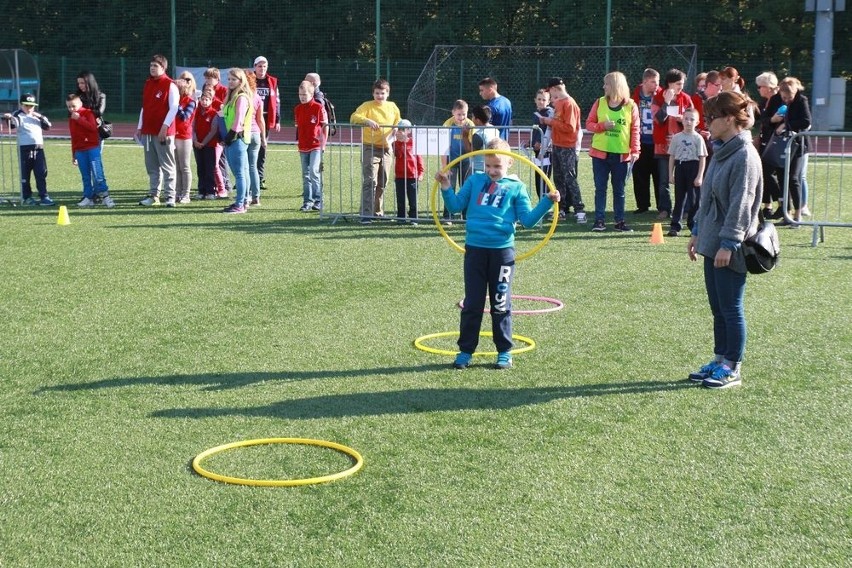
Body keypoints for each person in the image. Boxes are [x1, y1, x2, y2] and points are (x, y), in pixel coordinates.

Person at [435, 138, 560, 370]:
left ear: (510, 163)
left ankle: (504, 351)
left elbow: (528, 221)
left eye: (498, 166)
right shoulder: (474, 181)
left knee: (500, 302)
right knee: (472, 303)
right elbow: (454, 207)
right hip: (475, 250)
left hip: (502, 252)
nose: (492, 171)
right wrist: (445, 187)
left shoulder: (516, 187)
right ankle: (465, 351)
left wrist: (547, 202)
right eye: (489, 165)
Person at [687, 91, 763, 389]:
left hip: (729, 245)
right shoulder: (722, 150)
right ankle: (719, 360)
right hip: (710, 240)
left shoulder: (745, 155)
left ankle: (732, 366)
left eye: (713, 117)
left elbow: (742, 206)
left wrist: (729, 244)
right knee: (717, 307)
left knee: (731, 307)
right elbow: (707, 199)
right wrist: (696, 231)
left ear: (730, 119)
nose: (707, 123)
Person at [585, 71, 640, 232]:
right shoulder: (599, 102)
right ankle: (599, 220)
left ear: (615, 85)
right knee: (600, 188)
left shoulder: (631, 105)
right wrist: (602, 126)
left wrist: (635, 150)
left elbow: (635, 130)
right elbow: (589, 124)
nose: (604, 86)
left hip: (621, 155)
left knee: (619, 190)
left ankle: (619, 221)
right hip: (600, 154)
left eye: (606, 84)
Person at [349, 78, 401, 223]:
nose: (380, 96)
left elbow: (398, 121)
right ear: (373, 93)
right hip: (370, 147)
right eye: (377, 93)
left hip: (387, 148)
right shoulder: (367, 106)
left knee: (382, 181)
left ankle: (377, 212)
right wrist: (367, 121)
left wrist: (397, 128)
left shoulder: (392, 107)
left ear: (388, 93)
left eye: (382, 93)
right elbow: (354, 117)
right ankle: (366, 214)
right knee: (370, 180)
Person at [538, 76, 586, 223]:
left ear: (554, 89)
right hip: (557, 145)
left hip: (567, 146)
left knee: (570, 178)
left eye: (550, 93)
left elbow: (570, 128)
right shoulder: (560, 104)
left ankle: (580, 210)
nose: (551, 97)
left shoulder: (569, 104)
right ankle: (562, 209)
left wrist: (549, 121)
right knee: (558, 178)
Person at [137, 54, 179, 207]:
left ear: (163, 67)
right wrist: (140, 126)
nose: (152, 68)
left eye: (155, 66)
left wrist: (165, 127)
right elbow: (145, 107)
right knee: (152, 166)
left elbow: (174, 107)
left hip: (163, 133)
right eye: (151, 66)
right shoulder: (148, 83)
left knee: (167, 165)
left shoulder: (170, 84)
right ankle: (154, 195)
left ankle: (170, 196)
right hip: (148, 132)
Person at [651, 68, 693, 220]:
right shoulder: (658, 98)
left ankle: (686, 209)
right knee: (664, 180)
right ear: (669, 84)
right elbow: (658, 119)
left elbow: (694, 119)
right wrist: (667, 102)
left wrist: (685, 120)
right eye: (678, 83)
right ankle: (664, 209)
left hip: (684, 145)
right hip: (663, 146)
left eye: (682, 84)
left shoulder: (686, 98)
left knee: (686, 178)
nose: (681, 86)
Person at [771, 77, 811, 225]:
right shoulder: (783, 101)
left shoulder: (802, 101)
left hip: (799, 145)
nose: (786, 100)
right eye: (784, 97)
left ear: (795, 92)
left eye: (789, 97)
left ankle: (798, 214)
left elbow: (806, 121)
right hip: (787, 144)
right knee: (784, 178)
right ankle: (786, 214)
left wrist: (785, 126)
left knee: (794, 178)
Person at [1, 93, 54, 206]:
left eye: (31, 106)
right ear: (21, 105)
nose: (29, 108)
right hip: (24, 149)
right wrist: (9, 118)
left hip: (38, 149)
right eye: (26, 106)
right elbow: (13, 125)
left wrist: (39, 116)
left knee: (41, 173)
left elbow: (48, 126)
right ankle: (27, 197)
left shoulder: (37, 116)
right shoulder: (18, 114)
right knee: (25, 175)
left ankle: (44, 196)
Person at [67, 93, 114, 208]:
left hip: (92, 148)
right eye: (69, 107)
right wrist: (74, 154)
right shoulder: (71, 119)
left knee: (98, 173)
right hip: (80, 151)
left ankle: (106, 197)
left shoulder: (88, 113)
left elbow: (93, 128)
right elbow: (73, 137)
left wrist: (79, 119)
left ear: (80, 104)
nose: (71, 109)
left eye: (73, 106)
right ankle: (88, 197)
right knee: (85, 176)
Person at [667, 108, 707, 237]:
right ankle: (675, 225)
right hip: (680, 166)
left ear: (697, 122)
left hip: (693, 167)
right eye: (686, 119)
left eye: (692, 119)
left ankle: (694, 225)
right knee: (679, 198)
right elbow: (672, 156)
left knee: (694, 199)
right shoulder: (677, 138)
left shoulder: (698, 138)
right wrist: (670, 174)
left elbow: (702, 157)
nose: (689, 122)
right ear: (682, 120)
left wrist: (700, 176)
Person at [220, 68, 254, 214]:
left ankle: (240, 203)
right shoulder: (232, 96)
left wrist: (228, 137)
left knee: (239, 173)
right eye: (229, 79)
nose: (231, 82)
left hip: (237, 138)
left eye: (234, 79)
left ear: (241, 81)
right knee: (242, 172)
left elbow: (238, 120)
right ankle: (243, 201)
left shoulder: (241, 97)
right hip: (235, 138)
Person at [630, 68, 661, 214]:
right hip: (640, 141)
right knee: (640, 174)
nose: (656, 85)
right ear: (644, 82)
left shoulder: (661, 96)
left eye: (658, 82)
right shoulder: (635, 96)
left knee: (659, 175)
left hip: (657, 141)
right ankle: (642, 205)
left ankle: (662, 206)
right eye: (653, 82)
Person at [294, 80, 327, 212]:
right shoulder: (297, 109)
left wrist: (323, 145)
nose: (302, 97)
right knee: (305, 175)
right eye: (300, 94)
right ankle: (307, 201)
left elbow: (325, 127)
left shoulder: (318, 107)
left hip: (316, 145)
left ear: (312, 94)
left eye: (305, 94)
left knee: (314, 171)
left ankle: (318, 200)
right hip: (303, 146)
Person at [755, 71, 784, 217]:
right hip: (766, 139)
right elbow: (765, 120)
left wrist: (770, 121)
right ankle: (768, 205)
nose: (758, 89)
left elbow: (778, 119)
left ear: (768, 87)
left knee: (772, 173)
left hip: (777, 141)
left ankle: (783, 203)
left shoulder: (779, 99)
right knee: (764, 173)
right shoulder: (763, 102)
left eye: (760, 86)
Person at [441, 99, 474, 223]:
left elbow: (472, 146)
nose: (462, 117)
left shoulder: (470, 124)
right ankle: (447, 216)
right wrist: (445, 167)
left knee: (466, 188)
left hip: (466, 161)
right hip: (451, 161)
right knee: (449, 187)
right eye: (459, 114)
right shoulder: (447, 124)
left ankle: (465, 216)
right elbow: (443, 148)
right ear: (453, 112)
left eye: (464, 114)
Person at [253, 56, 280, 190]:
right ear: (255, 67)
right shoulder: (248, 80)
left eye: (264, 66)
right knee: (248, 148)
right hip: (250, 119)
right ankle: (247, 177)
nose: (262, 69)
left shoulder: (272, 81)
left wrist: (278, 119)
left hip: (265, 119)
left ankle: (260, 177)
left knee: (262, 149)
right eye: (259, 66)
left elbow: (277, 101)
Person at [203, 67, 230, 199]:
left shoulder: (223, 90)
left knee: (221, 161)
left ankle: (224, 186)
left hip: (220, 132)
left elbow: (224, 109)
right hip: (207, 132)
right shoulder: (204, 90)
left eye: (210, 78)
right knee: (211, 162)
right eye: (206, 78)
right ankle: (211, 187)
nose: (207, 81)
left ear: (217, 79)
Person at [393, 119, 424, 224]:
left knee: (413, 199)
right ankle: (401, 217)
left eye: (404, 129)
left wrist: (421, 172)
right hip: (400, 175)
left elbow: (419, 158)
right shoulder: (395, 143)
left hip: (412, 175)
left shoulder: (414, 143)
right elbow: (399, 155)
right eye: (399, 129)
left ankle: (413, 218)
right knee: (400, 198)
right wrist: (401, 143)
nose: (401, 131)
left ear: (409, 130)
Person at [192, 87, 220, 200]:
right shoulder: (196, 112)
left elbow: (213, 131)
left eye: (207, 99)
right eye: (202, 99)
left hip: (209, 145)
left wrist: (203, 143)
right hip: (197, 145)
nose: (204, 101)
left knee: (209, 169)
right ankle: (201, 190)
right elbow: (192, 127)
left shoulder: (214, 113)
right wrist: (195, 141)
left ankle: (211, 191)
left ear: (211, 101)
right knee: (200, 168)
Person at [174, 71, 197, 204]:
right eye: (182, 79)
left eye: (188, 80)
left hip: (184, 136)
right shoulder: (176, 98)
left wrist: (176, 103)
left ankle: (186, 194)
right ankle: (177, 192)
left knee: (185, 166)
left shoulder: (191, 101)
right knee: (176, 166)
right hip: (174, 134)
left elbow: (183, 117)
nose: (185, 82)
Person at [245, 71, 266, 207]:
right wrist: (263, 138)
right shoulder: (257, 97)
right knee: (253, 167)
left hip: (245, 133)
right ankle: (256, 196)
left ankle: (245, 195)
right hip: (256, 134)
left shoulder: (241, 96)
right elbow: (260, 119)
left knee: (244, 167)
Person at [529, 88, 554, 201]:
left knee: (544, 180)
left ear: (548, 101)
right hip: (537, 152)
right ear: (535, 100)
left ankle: (548, 204)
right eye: (539, 99)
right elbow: (536, 132)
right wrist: (531, 142)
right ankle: (542, 203)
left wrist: (541, 143)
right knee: (538, 179)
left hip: (547, 151)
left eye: (544, 100)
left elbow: (547, 131)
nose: (541, 102)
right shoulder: (536, 114)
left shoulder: (548, 113)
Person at [462, 105, 500, 176]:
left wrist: (465, 136)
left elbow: (470, 152)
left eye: (473, 117)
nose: (471, 119)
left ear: (478, 120)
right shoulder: (495, 130)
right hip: (490, 167)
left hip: (478, 169)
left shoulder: (479, 135)